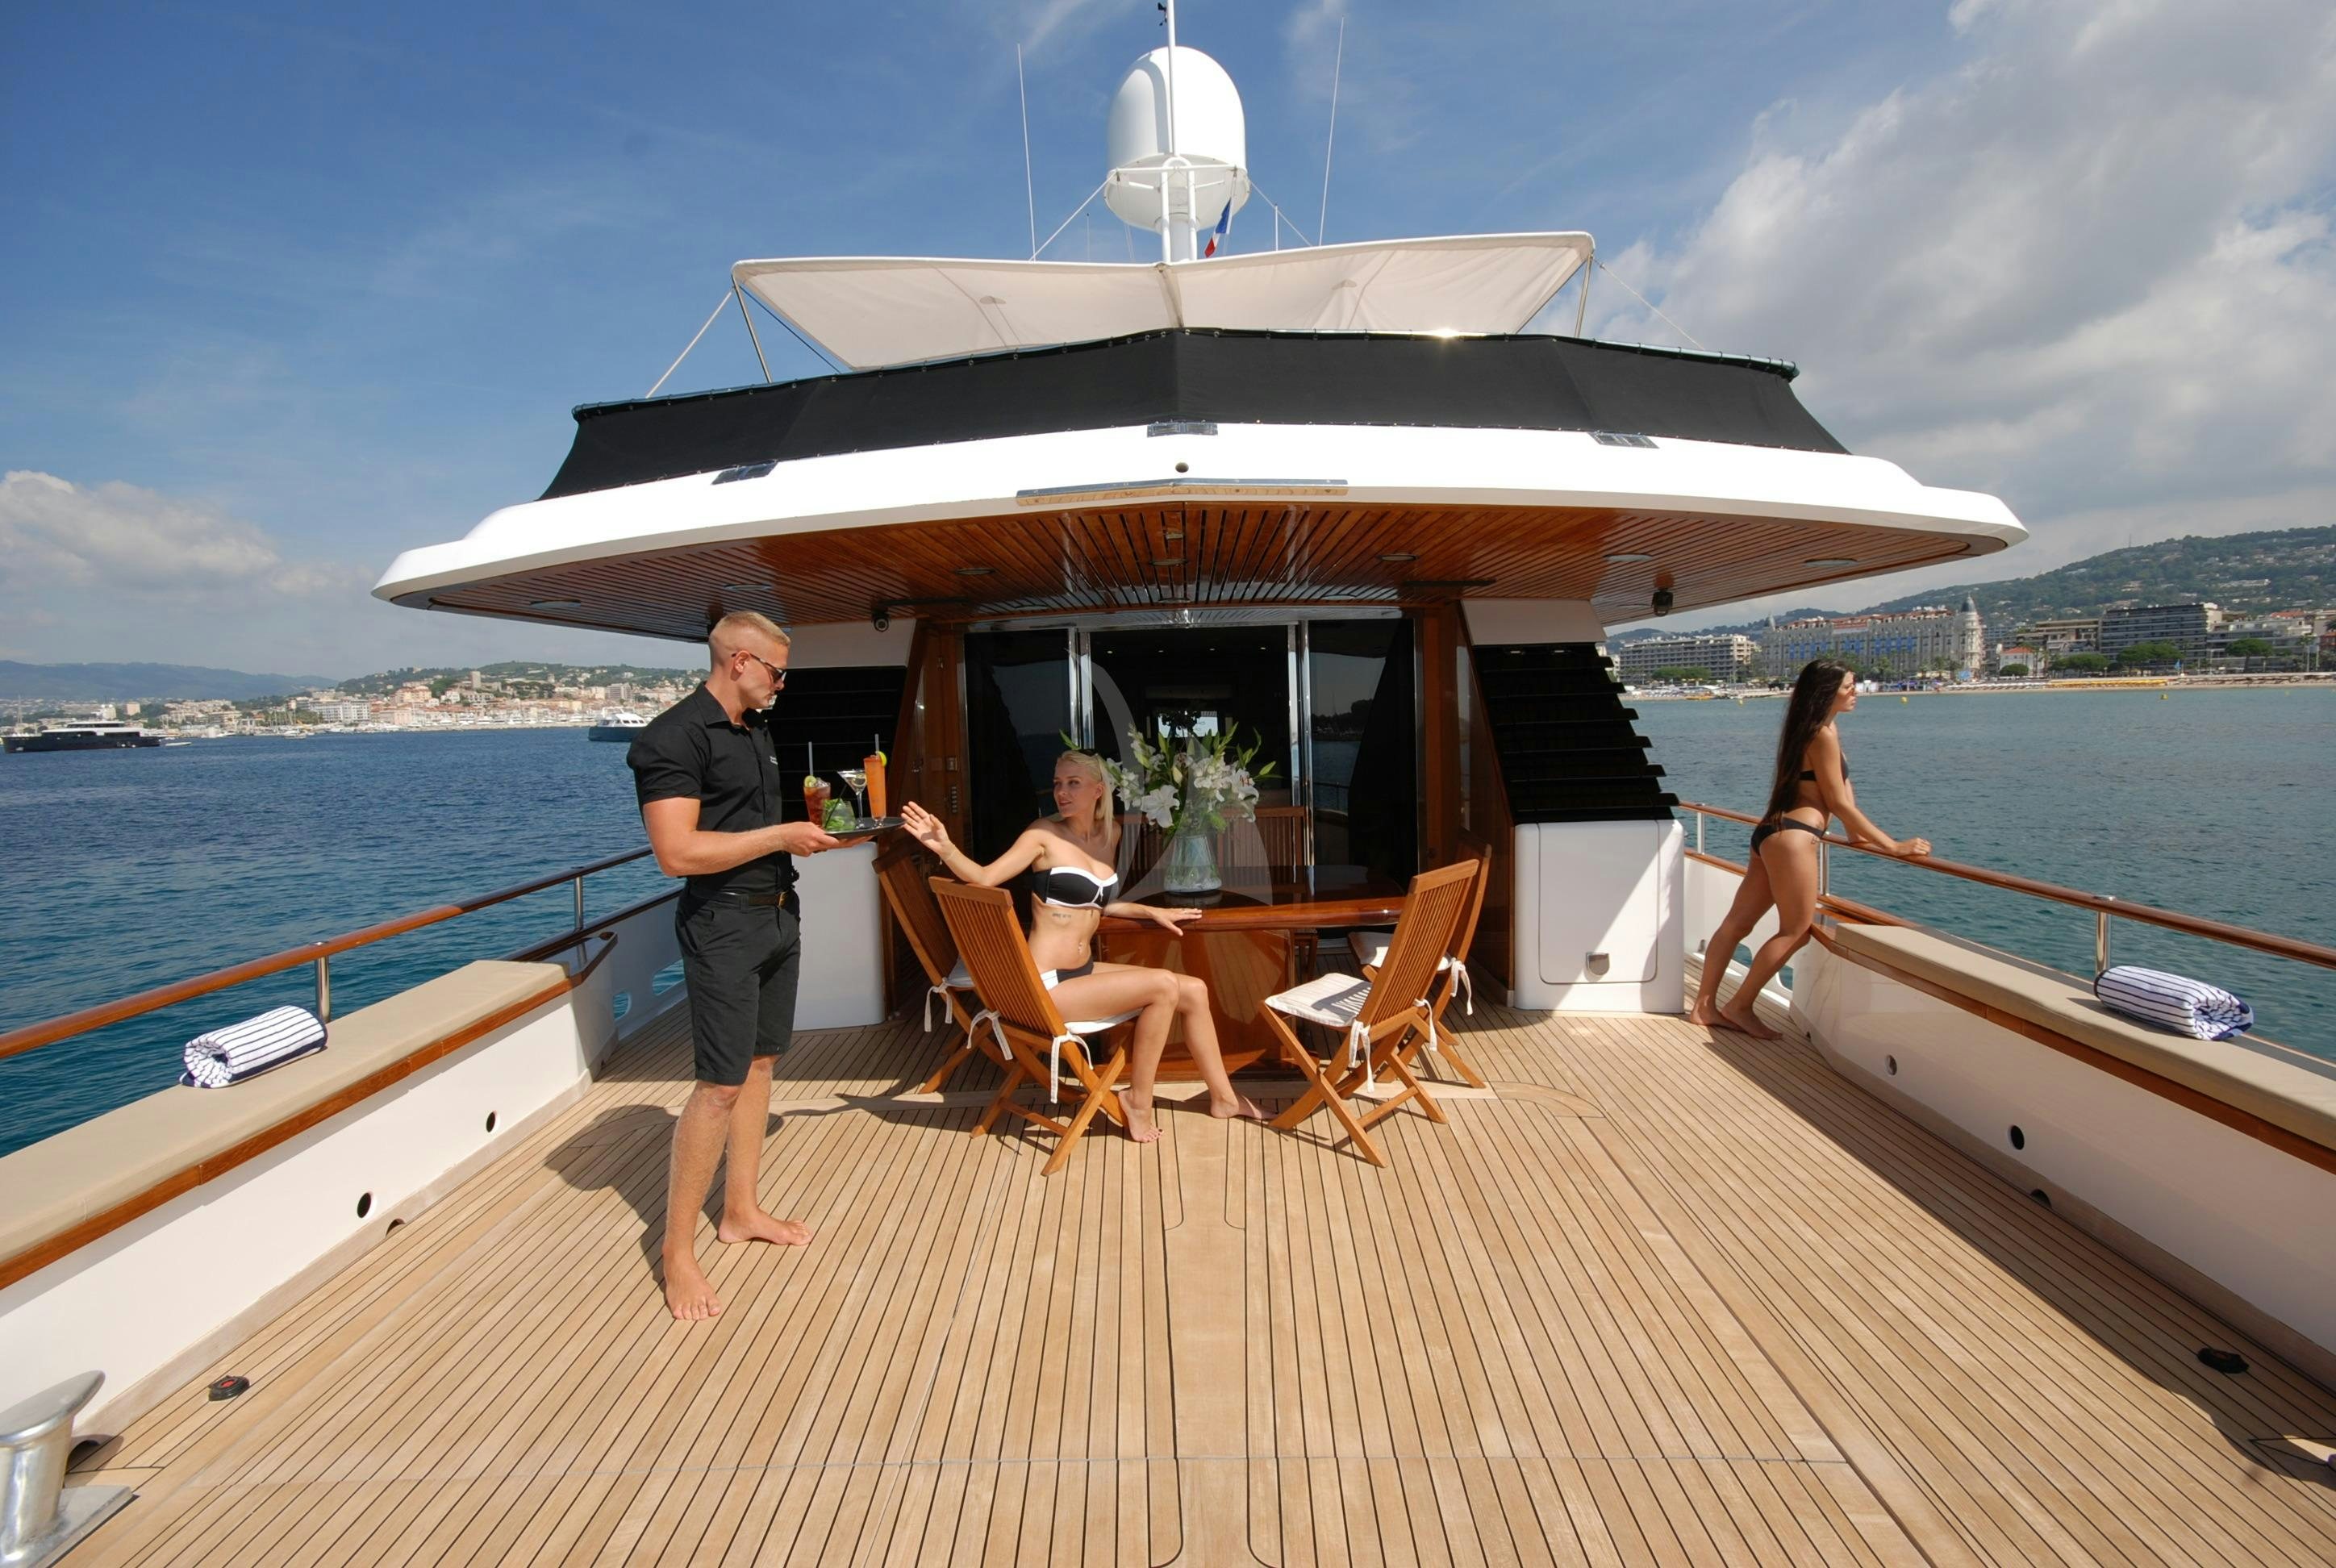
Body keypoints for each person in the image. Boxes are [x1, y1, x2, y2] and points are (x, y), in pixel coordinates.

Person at [626, 611, 857, 1321]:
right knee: (718, 1086)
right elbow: (678, 855)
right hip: (723, 924)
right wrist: (781, 833)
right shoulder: (671, 739)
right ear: (739, 662)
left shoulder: (755, 729)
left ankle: (740, 1210)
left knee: (760, 1066)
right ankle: (676, 1253)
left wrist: (804, 837)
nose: (783, 685)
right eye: (777, 671)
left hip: (776, 913)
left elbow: (743, 829)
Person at [899, 751, 1268, 1141]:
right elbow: (986, 877)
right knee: (1163, 986)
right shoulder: (1042, 835)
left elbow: (1100, 901)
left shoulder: (1109, 835)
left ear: (1098, 790)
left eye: (1073, 783)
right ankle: (1137, 1102)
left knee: (1193, 988)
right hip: (1044, 987)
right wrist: (945, 848)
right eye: (1058, 783)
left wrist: (1151, 911)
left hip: (1082, 972)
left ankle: (1224, 1098)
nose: (1062, 792)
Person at [1688, 659, 1931, 1039]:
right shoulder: (1823, 734)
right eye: (1849, 686)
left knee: (1737, 924)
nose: (1856, 692)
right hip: (1795, 837)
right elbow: (1838, 801)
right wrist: (1894, 846)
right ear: (1827, 691)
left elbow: (1841, 799)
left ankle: (1704, 1007)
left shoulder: (1812, 730)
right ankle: (1740, 1006)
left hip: (1771, 832)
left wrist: (1856, 836)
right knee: (1796, 930)